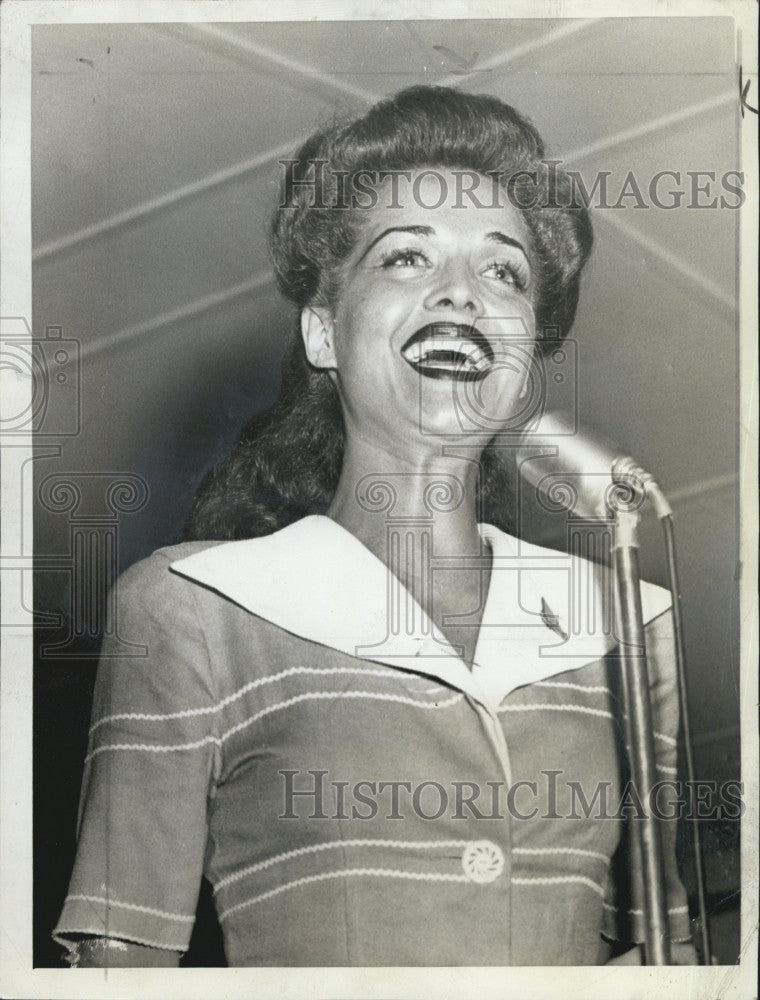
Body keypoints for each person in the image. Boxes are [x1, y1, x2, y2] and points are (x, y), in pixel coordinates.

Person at [53, 85, 696, 967]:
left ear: (526, 356)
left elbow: (668, 958)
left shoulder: (631, 625)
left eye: (503, 271)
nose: (462, 294)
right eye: (406, 259)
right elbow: (119, 969)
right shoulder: (189, 610)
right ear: (323, 330)